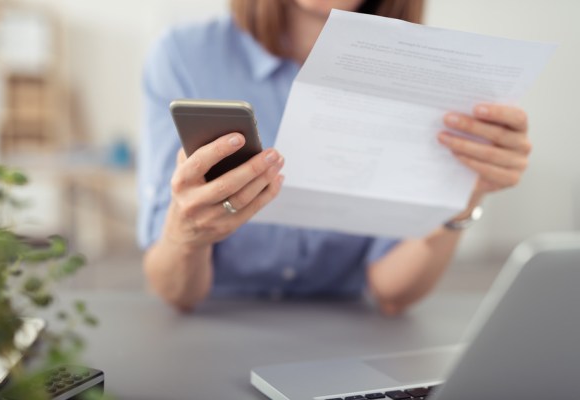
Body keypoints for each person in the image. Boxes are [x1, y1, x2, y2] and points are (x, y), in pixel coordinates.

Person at [138, 0, 531, 315]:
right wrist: (185, 235)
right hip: (213, 323)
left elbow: (392, 290)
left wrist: (464, 192)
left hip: (348, 331)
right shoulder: (183, 57)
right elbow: (174, 291)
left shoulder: (420, 74)